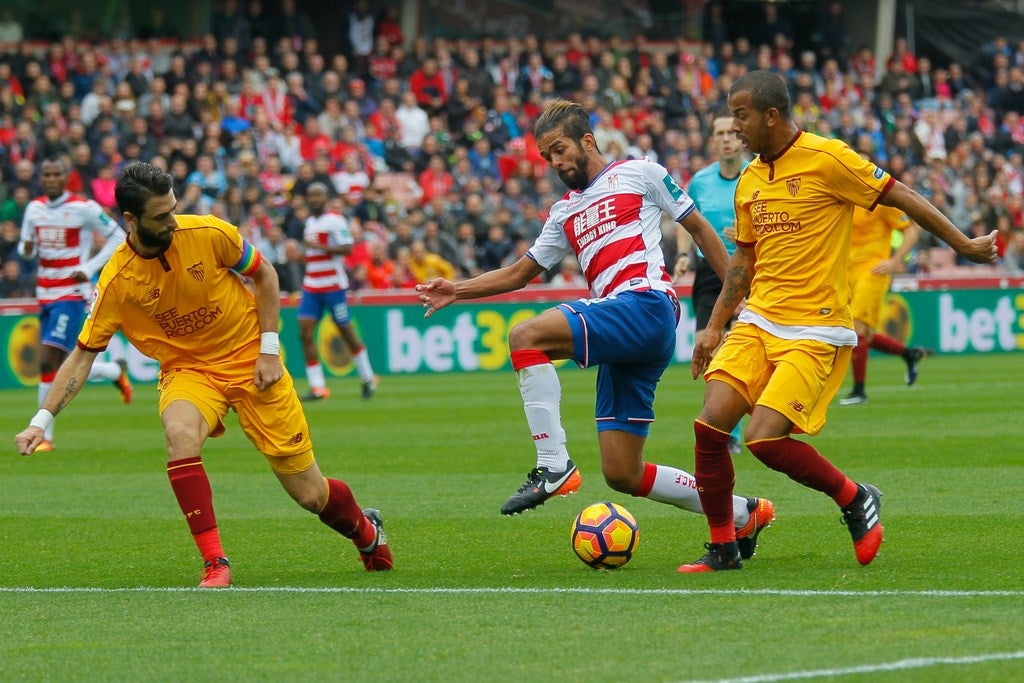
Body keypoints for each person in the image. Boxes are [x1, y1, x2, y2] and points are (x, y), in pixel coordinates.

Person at [416, 99, 775, 560]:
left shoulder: (641, 173)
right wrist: (456, 290)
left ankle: (553, 465)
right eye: (546, 157)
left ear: (587, 140)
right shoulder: (565, 211)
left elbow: (700, 229)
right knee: (623, 472)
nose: (555, 162)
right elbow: (518, 273)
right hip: (625, 328)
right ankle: (743, 512)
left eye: (560, 149)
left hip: (646, 304)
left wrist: (734, 298)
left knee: (524, 337)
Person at [14, 162, 393, 587]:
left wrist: (269, 349)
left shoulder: (208, 232)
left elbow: (265, 274)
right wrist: (40, 421)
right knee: (179, 434)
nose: (173, 221)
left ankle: (365, 530)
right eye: (161, 216)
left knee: (310, 494)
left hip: (251, 359)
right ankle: (215, 562)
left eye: (173, 208)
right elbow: (82, 356)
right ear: (131, 220)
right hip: (188, 371)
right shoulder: (118, 280)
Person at [679, 71, 997, 573]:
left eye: (741, 116)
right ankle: (723, 546)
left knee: (763, 439)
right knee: (710, 426)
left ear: (771, 115)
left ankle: (854, 498)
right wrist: (714, 326)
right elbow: (742, 261)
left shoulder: (829, 158)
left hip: (815, 327)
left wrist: (961, 242)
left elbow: (900, 195)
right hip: (759, 320)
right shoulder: (750, 179)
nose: (734, 127)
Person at [17, 157, 133, 452]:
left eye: (58, 173)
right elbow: (25, 248)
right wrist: (27, 249)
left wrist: (90, 266)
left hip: (71, 293)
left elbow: (118, 236)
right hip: (44, 293)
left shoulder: (84, 208)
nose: (52, 178)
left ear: (66, 176)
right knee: (57, 364)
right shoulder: (34, 209)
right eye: (47, 174)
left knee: (46, 360)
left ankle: (44, 436)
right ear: (41, 178)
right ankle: (110, 372)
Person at [680, 113, 749, 456]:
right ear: (713, 141)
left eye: (731, 133)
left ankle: (739, 427)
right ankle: (725, 431)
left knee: (744, 348)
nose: (726, 139)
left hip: (753, 268)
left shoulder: (758, 175)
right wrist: (682, 255)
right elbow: (686, 222)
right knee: (712, 349)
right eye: (720, 133)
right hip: (709, 272)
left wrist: (750, 235)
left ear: (741, 138)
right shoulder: (701, 181)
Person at [839, 178, 930, 406]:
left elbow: (911, 232)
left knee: (856, 328)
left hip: (873, 271)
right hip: (846, 273)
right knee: (863, 335)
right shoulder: (844, 199)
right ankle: (909, 354)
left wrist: (894, 261)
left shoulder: (882, 202)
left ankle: (859, 391)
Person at [297, 182, 378, 401]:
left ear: (325, 198)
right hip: (312, 285)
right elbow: (314, 255)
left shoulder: (335, 220)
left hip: (333, 285)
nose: (313, 198)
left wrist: (320, 248)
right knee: (304, 332)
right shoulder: (310, 222)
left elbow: (348, 247)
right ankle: (317, 387)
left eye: (318, 195)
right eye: (311, 195)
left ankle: (368, 377)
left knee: (346, 331)